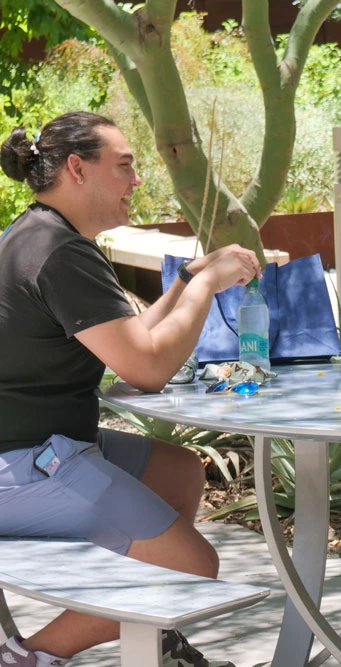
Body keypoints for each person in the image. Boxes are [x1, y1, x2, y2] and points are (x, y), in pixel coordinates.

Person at [0, 112, 261, 667]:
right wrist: (211, 285)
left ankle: (153, 634)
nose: (136, 181)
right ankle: (29, 656)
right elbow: (146, 369)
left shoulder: (43, 233)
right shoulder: (60, 252)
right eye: (124, 166)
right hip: (19, 464)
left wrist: (189, 279)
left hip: (40, 444)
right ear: (78, 168)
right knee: (191, 566)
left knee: (180, 471)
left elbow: (132, 340)